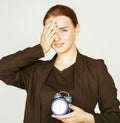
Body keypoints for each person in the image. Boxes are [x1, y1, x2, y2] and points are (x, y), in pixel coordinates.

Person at [0, 4, 120, 123]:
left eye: (63, 30)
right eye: (51, 31)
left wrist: (87, 118)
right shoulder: (35, 71)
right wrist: (40, 48)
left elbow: (115, 117)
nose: (57, 38)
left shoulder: (96, 69)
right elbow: (2, 69)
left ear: (76, 29)